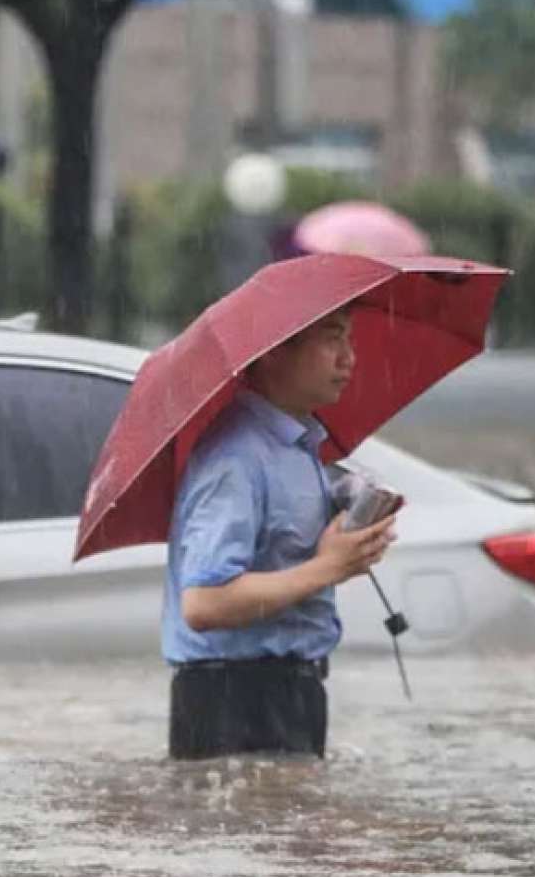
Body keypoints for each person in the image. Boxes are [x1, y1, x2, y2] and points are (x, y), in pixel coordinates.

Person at [161, 306, 397, 760]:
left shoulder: (299, 448)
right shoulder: (234, 457)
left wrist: (350, 532)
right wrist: (329, 567)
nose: (349, 358)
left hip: (291, 688)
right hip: (233, 698)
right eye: (332, 338)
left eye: (349, 340)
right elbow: (204, 603)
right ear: (272, 352)